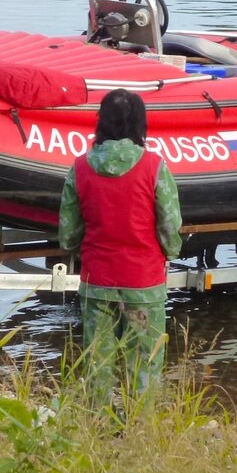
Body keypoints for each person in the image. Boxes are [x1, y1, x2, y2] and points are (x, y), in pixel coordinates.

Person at [58, 89, 182, 404]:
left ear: (101, 122)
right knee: (144, 363)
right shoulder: (155, 166)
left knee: (97, 363)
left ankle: (98, 426)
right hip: (143, 281)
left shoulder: (80, 167)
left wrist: (76, 248)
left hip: (97, 280)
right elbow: (170, 224)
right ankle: (140, 431)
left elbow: (69, 232)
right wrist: (170, 251)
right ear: (141, 124)